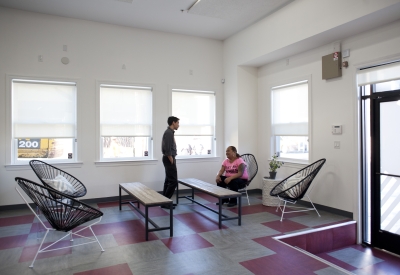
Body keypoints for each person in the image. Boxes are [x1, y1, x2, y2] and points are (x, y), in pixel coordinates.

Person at [161, 116, 180, 209]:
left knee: (168, 180)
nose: (178, 125)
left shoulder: (170, 132)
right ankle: (165, 202)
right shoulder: (168, 133)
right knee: (173, 181)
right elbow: (167, 148)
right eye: (177, 123)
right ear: (173, 123)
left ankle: (164, 201)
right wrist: (171, 158)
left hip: (169, 158)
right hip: (169, 158)